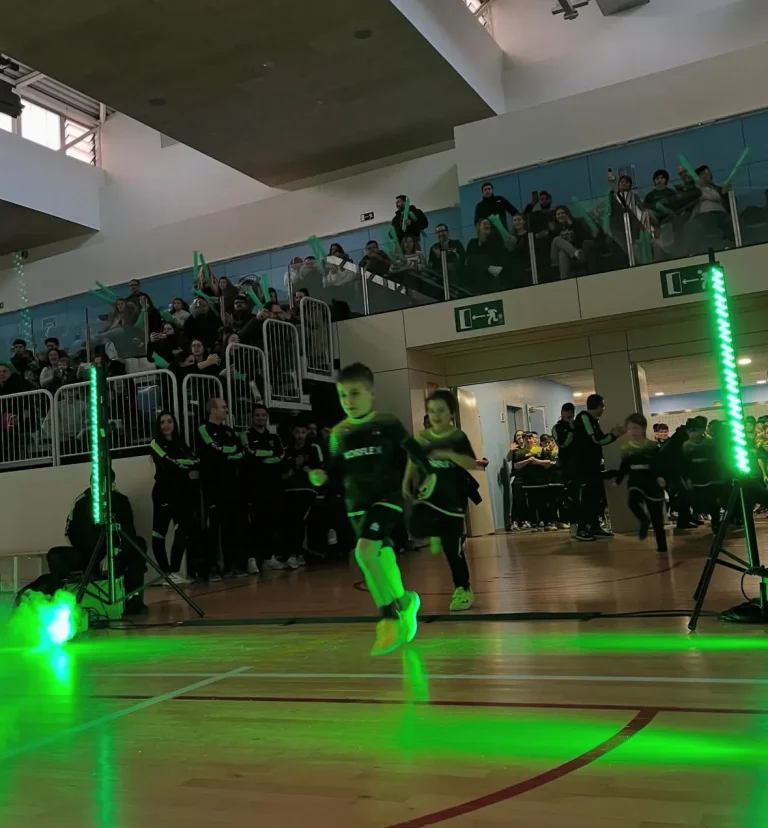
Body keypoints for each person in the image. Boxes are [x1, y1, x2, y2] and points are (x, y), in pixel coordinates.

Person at [308, 363, 434, 656]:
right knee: (380, 555)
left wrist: (430, 473)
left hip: (387, 498)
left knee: (364, 552)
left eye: (355, 393)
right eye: (342, 395)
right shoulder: (338, 433)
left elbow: (413, 450)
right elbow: (335, 471)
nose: (348, 401)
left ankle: (388, 618)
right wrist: (322, 478)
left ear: (370, 393)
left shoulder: (388, 423)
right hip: (356, 506)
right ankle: (405, 601)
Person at [405, 390, 485, 612]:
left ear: (451, 412)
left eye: (440, 410)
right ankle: (436, 532)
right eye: (431, 411)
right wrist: (406, 482)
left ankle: (463, 589)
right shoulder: (422, 437)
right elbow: (412, 459)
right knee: (415, 525)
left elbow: (471, 463)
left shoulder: (457, 437)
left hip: (453, 500)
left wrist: (447, 454)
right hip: (430, 495)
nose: (435, 415)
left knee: (453, 549)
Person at [55, 469, 147, 614]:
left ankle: (132, 602)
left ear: (112, 485)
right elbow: (71, 533)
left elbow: (129, 532)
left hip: (115, 552)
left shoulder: (121, 501)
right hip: (87, 554)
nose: (97, 489)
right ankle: (68, 604)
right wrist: (91, 557)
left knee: (139, 545)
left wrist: (112, 552)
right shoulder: (80, 503)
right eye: (94, 484)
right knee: (56, 555)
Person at [614, 414, 687, 553]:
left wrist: (660, 477)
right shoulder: (626, 448)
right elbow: (624, 466)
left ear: (643, 428)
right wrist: (618, 481)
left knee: (657, 518)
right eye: (629, 429)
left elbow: (659, 464)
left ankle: (662, 547)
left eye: (635, 428)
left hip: (652, 482)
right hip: (635, 481)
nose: (632, 431)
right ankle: (643, 520)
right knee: (633, 501)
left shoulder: (653, 446)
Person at [198, 397, 248, 580]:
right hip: (213, 486)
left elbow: (240, 450)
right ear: (212, 410)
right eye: (223, 407)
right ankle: (211, 567)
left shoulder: (228, 430)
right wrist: (230, 453)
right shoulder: (204, 429)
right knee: (214, 528)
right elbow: (214, 449)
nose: (226, 410)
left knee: (231, 525)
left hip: (231, 485)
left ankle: (231, 565)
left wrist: (229, 454)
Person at [150, 411, 201, 584]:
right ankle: (166, 573)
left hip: (181, 493)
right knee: (159, 534)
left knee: (184, 529)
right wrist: (182, 464)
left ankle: (173, 571)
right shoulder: (156, 443)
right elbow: (166, 463)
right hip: (163, 492)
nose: (166, 425)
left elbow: (195, 461)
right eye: (162, 422)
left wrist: (181, 463)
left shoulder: (181, 443)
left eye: (169, 421)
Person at [572, 393, 625, 541]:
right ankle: (582, 529)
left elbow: (600, 439)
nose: (603, 409)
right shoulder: (584, 418)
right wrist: (613, 435)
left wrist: (613, 436)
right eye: (603, 405)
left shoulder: (594, 421)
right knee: (586, 497)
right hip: (583, 466)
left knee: (596, 497)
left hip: (593, 466)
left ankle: (595, 527)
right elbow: (595, 440)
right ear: (597, 406)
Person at [241, 403, 286, 573]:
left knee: (271, 524)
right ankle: (252, 559)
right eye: (257, 415)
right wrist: (269, 455)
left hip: (273, 488)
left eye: (263, 415)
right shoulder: (245, 435)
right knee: (254, 525)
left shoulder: (274, 437)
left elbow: (281, 455)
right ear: (252, 417)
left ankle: (269, 558)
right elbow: (250, 453)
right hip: (253, 488)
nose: (260, 418)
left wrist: (264, 457)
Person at [282, 422, 323, 568]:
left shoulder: (313, 448)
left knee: (298, 519)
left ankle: (297, 554)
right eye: (297, 432)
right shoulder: (286, 450)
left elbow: (319, 473)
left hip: (307, 490)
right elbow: (283, 474)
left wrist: (304, 467)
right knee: (288, 520)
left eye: (303, 432)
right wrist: (293, 467)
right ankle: (291, 554)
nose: (300, 436)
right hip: (289, 491)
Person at [682, 416, 726, 534]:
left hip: (712, 477)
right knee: (700, 502)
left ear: (701, 430)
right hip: (697, 479)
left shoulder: (710, 443)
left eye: (695, 430)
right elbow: (684, 465)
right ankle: (704, 515)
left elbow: (718, 459)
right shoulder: (686, 446)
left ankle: (715, 523)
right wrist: (687, 479)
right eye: (690, 431)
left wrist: (720, 475)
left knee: (714, 502)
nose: (693, 434)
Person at [514, 432, 555, 530]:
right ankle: (534, 523)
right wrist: (527, 461)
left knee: (544, 503)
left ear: (534, 439)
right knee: (531, 504)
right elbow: (516, 465)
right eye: (526, 439)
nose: (529, 440)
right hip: (528, 483)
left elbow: (548, 463)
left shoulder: (541, 450)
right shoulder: (521, 452)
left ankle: (547, 523)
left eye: (530, 438)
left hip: (542, 482)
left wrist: (537, 461)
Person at [553, 403, 577, 532]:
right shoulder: (557, 428)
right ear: (562, 414)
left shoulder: (578, 424)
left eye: (572, 416)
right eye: (567, 416)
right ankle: (572, 523)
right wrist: (571, 430)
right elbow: (562, 444)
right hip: (567, 466)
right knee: (570, 495)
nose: (570, 418)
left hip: (579, 464)